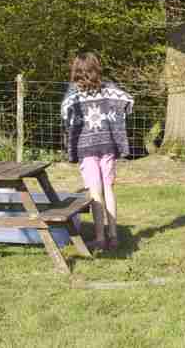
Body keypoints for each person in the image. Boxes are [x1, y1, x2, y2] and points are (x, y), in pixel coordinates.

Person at [61, 51, 132, 251]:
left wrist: (76, 122)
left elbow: (65, 112)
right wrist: (113, 118)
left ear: (76, 70)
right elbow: (128, 101)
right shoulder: (108, 88)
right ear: (96, 68)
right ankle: (114, 236)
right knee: (108, 189)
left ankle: (100, 238)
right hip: (108, 146)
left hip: (86, 148)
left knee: (95, 192)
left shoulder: (73, 92)